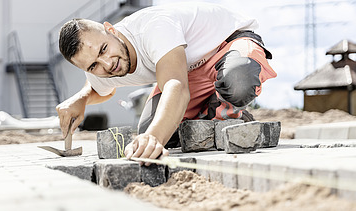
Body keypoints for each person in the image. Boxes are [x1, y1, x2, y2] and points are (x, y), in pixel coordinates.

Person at [56, 2, 277, 165]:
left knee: (237, 81)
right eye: (93, 66)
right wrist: (81, 100)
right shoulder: (99, 66)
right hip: (188, 70)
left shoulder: (153, 27)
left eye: (104, 50)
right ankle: (214, 110)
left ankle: (231, 110)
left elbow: (176, 86)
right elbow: (98, 88)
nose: (107, 64)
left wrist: (153, 139)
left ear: (112, 30)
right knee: (156, 130)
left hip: (227, 45)